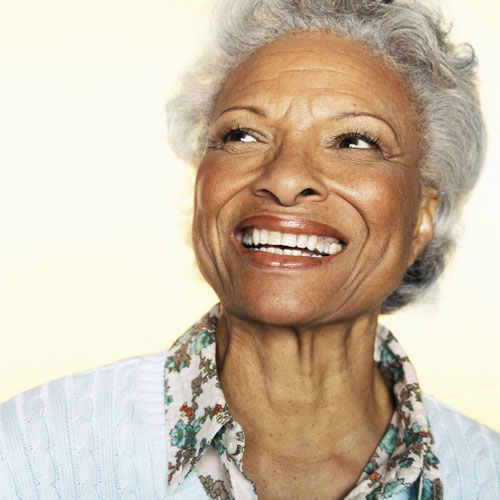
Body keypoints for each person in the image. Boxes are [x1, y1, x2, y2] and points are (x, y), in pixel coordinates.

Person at [0, 0, 499, 499]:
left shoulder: (486, 476)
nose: (283, 179)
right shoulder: (31, 454)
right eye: (242, 134)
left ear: (421, 219)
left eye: (354, 142)